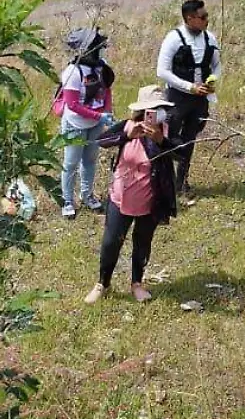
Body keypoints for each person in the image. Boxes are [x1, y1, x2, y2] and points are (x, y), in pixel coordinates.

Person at [87, 86, 178, 305]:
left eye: (159, 110)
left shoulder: (165, 131)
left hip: (150, 200)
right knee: (111, 242)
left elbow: (182, 152)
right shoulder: (128, 127)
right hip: (120, 197)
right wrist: (126, 135)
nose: (154, 115)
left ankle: (137, 283)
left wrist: (161, 142)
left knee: (142, 242)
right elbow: (101, 141)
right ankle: (103, 283)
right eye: (151, 110)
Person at [155, 0, 218, 205]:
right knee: (170, 139)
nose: (207, 20)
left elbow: (217, 66)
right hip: (177, 98)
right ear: (189, 18)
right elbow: (162, 71)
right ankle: (165, 181)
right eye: (203, 17)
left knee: (190, 139)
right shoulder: (173, 38)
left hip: (200, 100)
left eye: (207, 15)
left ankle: (181, 181)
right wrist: (189, 86)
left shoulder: (210, 38)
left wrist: (212, 81)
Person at [54, 27, 114, 220]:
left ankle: (87, 195)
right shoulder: (72, 72)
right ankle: (67, 200)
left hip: (95, 123)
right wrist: (99, 117)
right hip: (75, 124)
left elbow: (107, 90)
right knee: (70, 163)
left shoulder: (101, 66)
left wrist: (107, 111)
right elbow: (72, 104)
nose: (101, 50)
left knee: (90, 160)